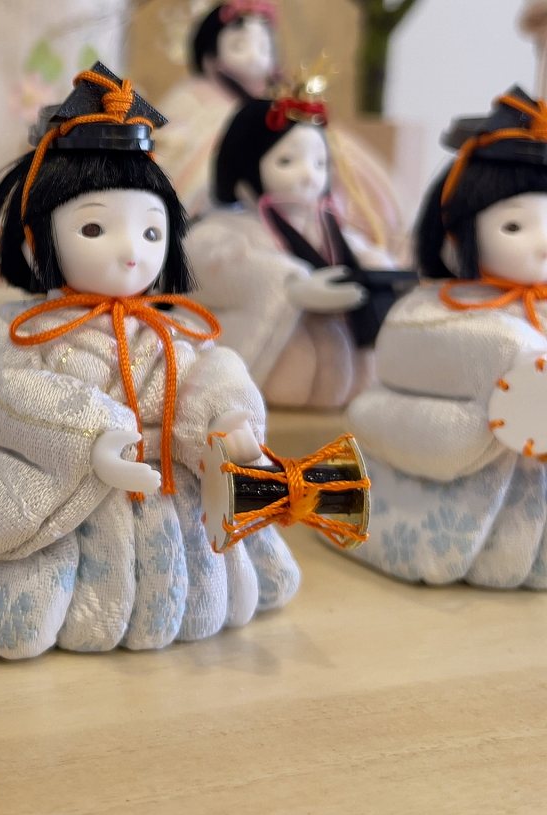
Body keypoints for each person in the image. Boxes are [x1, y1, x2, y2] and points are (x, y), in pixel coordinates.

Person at [0, 65, 300, 659]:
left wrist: (227, 419)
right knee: (38, 615)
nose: (131, 252)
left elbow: (209, 370)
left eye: (151, 233)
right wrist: (93, 440)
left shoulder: (168, 327)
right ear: (37, 238)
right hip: (74, 492)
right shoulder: (18, 330)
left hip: (166, 491)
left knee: (222, 588)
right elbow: (3, 391)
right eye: (94, 227)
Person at [344, 87, 547, 589]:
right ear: (457, 234)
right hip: (481, 487)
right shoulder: (437, 311)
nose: (542, 243)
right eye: (514, 225)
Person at [185, 79, 407, 410]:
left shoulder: (326, 227)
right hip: (272, 390)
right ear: (248, 163)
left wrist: (380, 272)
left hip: (345, 394)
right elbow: (205, 260)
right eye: (287, 162)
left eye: (320, 164)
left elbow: (361, 251)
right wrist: (291, 285)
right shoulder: (231, 225)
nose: (308, 175)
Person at [157, 1, 403, 249]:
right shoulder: (198, 95)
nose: (254, 57)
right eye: (239, 46)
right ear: (209, 55)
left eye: (264, 47)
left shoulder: (280, 100)